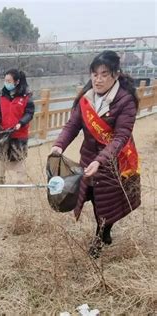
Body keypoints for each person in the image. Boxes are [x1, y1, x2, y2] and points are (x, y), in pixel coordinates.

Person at [50, 50, 141, 258]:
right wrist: (59, 145)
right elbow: (73, 125)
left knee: (106, 203)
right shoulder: (86, 98)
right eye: (94, 74)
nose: (98, 80)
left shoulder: (125, 101)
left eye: (104, 74)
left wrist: (101, 161)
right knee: (90, 196)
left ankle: (101, 237)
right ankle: (104, 232)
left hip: (114, 161)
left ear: (115, 75)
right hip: (88, 159)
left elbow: (121, 137)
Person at [0, 69, 35, 184]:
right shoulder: (1, 94)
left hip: (19, 132)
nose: (6, 83)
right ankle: (1, 178)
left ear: (16, 82)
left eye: (9, 81)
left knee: (19, 157)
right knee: (2, 155)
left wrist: (21, 123)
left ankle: (20, 181)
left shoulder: (26, 95)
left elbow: (29, 112)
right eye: (5, 80)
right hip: (4, 131)